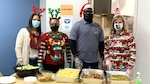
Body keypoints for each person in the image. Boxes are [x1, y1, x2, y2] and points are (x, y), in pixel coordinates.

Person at [69, 3, 105, 69]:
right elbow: (71, 42)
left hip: (94, 61)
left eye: (90, 12)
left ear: (92, 13)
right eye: (86, 11)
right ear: (83, 13)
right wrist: (76, 57)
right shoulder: (77, 26)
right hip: (80, 61)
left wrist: (102, 58)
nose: (88, 13)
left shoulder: (98, 27)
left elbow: (101, 43)